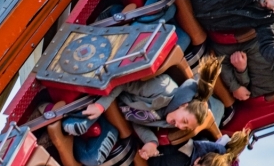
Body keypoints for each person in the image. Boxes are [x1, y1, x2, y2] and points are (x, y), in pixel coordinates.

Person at [62, 55, 223, 159]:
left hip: (119, 112)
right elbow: (122, 82)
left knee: (92, 157)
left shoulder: (170, 118)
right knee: (81, 123)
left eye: (185, 127)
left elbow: (139, 121)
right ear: (184, 105)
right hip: (112, 90)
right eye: (185, 121)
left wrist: (151, 142)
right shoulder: (162, 89)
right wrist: (100, 106)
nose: (179, 126)